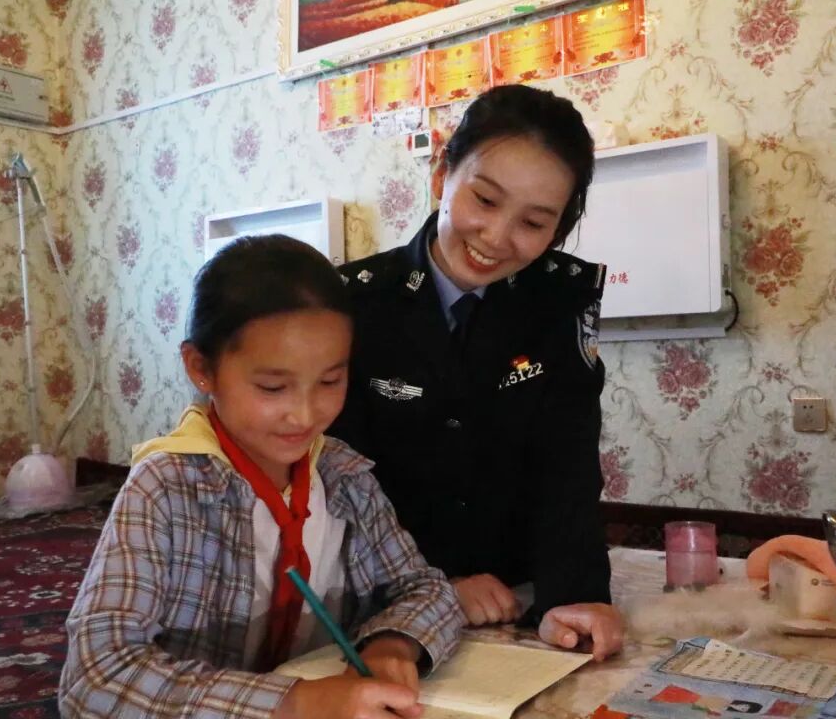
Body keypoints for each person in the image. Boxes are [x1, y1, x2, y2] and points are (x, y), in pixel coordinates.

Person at [60, 236, 464, 719]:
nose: (305, 415)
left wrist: (393, 644)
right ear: (201, 368)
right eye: (273, 387)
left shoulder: (343, 475)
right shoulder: (164, 488)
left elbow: (427, 588)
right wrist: (298, 703)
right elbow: (94, 677)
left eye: (330, 381)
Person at [329, 84, 623, 661]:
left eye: (533, 222)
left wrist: (576, 597)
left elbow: (567, 464)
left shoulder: (558, 302)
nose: (496, 237)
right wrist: (428, 586)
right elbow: (338, 479)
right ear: (442, 176)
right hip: (380, 598)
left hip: (514, 597)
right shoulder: (354, 303)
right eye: (485, 200)